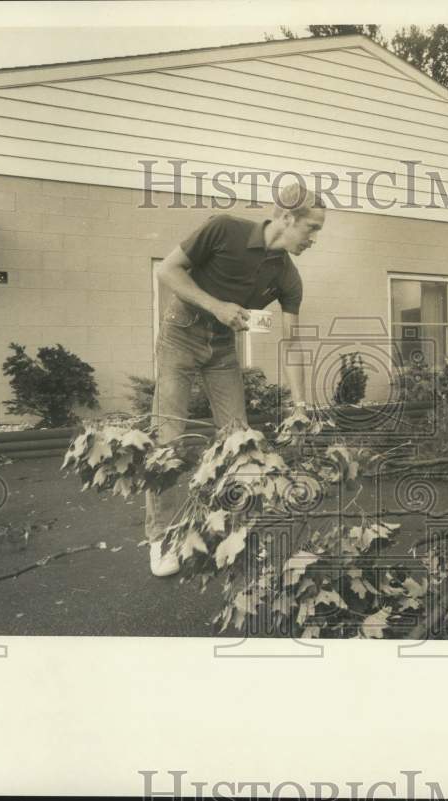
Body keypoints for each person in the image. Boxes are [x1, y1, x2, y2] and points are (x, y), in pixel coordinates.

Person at [145, 183, 326, 576]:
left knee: (237, 441)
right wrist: (216, 305)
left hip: (223, 348)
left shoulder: (288, 278)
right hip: (181, 335)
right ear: (287, 218)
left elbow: (292, 344)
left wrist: (300, 406)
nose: (314, 240)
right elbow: (167, 270)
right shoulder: (224, 229)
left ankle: (232, 533)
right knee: (168, 438)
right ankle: (162, 538)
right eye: (312, 229)